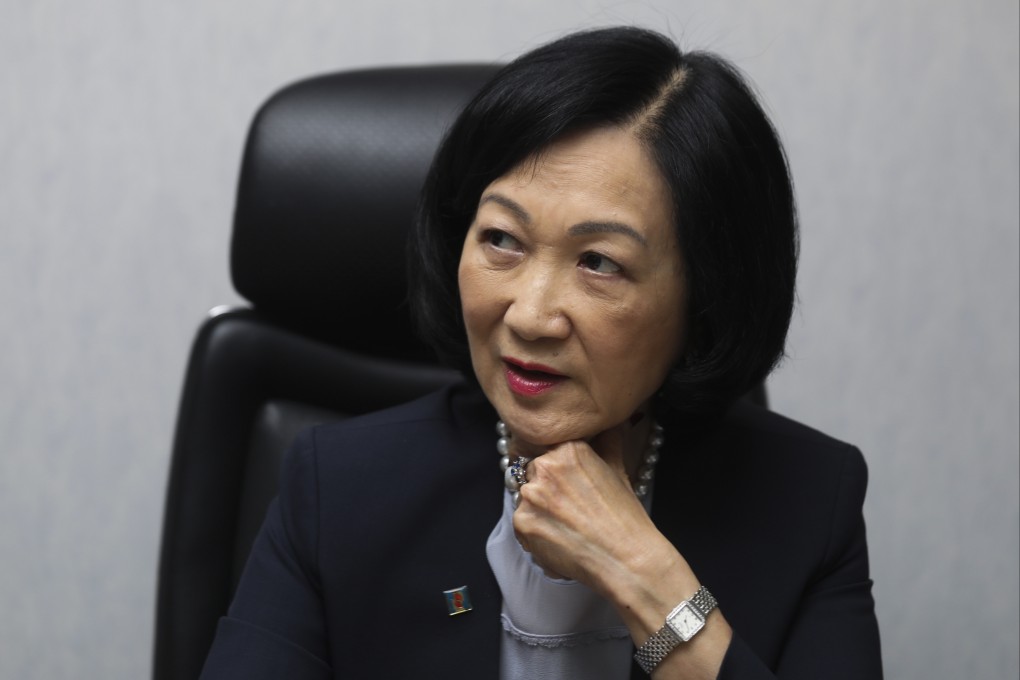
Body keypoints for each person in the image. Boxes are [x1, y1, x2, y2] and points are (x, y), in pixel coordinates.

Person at [200, 26, 883, 679]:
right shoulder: (336, 491)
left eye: (599, 262)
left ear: (704, 299)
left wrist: (644, 577)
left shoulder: (808, 503)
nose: (529, 316)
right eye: (502, 239)